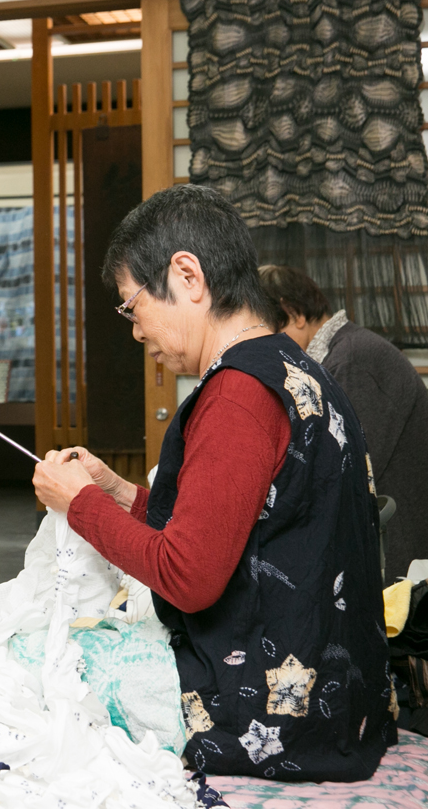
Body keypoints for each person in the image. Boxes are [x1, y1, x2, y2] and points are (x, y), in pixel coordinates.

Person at [32, 184, 394, 781]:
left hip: (269, 714)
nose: (135, 330)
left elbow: (189, 576)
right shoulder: (289, 367)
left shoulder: (238, 396)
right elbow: (248, 526)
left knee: (36, 663)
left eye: (131, 306)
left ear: (187, 276)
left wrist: (82, 507)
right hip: (338, 702)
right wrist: (121, 496)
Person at [259, 264, 428, 585]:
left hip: (400, 554)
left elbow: (345, 470)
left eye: (265, 331)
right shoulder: (338, 355)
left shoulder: (353, 359)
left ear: (293, 313)